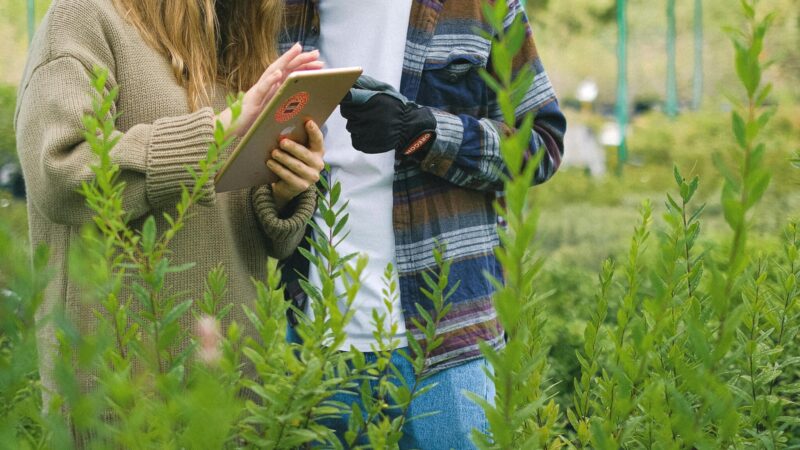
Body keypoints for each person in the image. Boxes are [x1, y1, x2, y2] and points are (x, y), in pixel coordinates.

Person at [280, 0, 567, 448]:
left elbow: (542, 142)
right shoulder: (275, 11)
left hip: (447, 342)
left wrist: (425, 132)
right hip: (309, 339)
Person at [14, 0, 325, 408]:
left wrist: (285, 191)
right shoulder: (83, 16)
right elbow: (62, 173)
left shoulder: (238, 29)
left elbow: (246, 232)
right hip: (125, 386)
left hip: (243, 384)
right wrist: (224, 127)